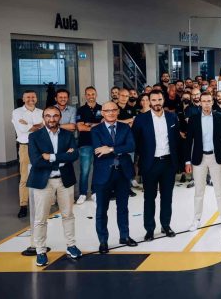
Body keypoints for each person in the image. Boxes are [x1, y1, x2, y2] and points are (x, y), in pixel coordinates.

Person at [27, 106, 81, 266]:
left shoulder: (67, 134)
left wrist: (50, 157)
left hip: (64, 181)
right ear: (43, 117)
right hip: (43, 181)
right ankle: (40, 251)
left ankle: (71, 246)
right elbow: (36, 160)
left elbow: (74, 155)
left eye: (55, 116)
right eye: (48, 116)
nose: (52, 119)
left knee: (68, 215)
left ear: (60, 118)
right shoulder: (35, 136)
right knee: (40, 218)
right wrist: (62, 158)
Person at [132, 89, 180, 241]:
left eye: (159, 99)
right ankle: (150, 229)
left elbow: (177, 141)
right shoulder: (141, 119)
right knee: (149, 198)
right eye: (153, 100)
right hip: (150, 164)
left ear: (163, 100)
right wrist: (143, 158)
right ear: (149, 101)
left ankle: (166, 226)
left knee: (167, 197)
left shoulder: (172, 117)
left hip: (168, 163)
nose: (157, 103)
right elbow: (135, 141)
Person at [91, 102, 138, 254]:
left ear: (117, 112)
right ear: (102, 113)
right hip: (103, 174)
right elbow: (99, 150)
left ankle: (124, 236)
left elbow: (131, 146)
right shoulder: (96, 130)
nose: (110, 113)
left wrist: (110, 149)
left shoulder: (125, 128)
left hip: (122, 173)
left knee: (123, 208)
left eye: (113, 110)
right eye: (107, 110)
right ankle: (103, 241)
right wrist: (119, 149)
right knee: (101, 210)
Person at [184, 92, 221, 232]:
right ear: (200, 103)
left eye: (209, 101)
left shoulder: (220, 118)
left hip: (216, 158)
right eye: (204, 101)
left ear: (212, 102)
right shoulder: (193, 119)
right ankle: (196, 220)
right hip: (199, 159)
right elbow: (188, 141)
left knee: (220, 191)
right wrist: (187, 161)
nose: (207, 103)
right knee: (199, 192)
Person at [12, 90, 44, 218]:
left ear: (36, 98)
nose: (31, 99)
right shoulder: (17, 112)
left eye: (33, 96)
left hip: (40, 148)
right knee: (25, 177)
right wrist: (37, 125)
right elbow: (22, 129)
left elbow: (45, 127)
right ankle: (23, 205)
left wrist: (29, 125)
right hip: (25, 147)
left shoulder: (41, 112)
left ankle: (41, 203)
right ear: (23, 98)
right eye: (28, 97)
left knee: (41, 174)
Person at [76, 86, 102, 204]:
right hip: (85, 144)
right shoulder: (80, 110)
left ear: (96, 95)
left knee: (98, 169)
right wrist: (96, 125)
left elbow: (104, 126)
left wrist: (89, 124)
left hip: (100, 144)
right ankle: (82, 193)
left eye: (93, 94)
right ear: (85, 96)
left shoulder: (102, 109)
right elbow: (80, 127)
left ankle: (95, 192)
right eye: (88, 94)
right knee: (85, 170)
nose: (91, 96)